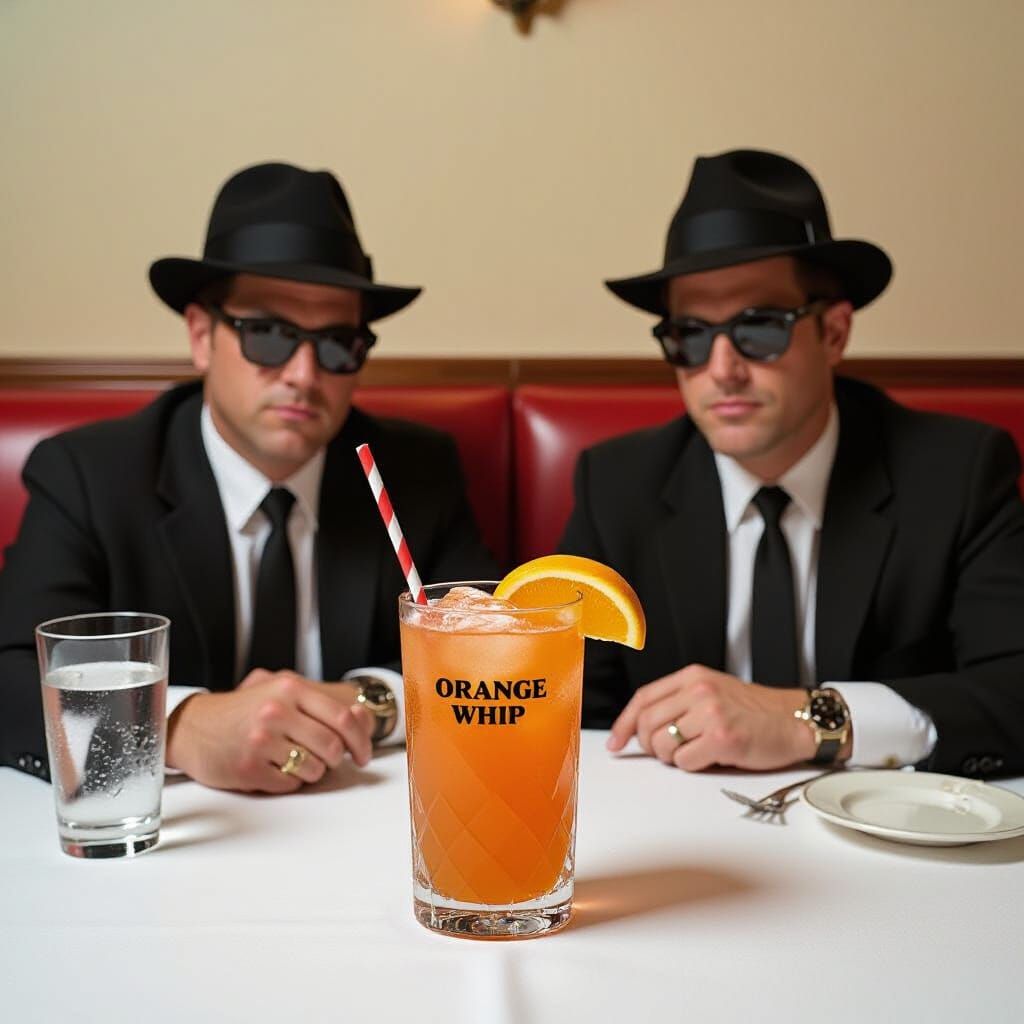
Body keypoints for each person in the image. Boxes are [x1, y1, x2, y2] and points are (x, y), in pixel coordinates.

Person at [0, 161, 497, 793]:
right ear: (202, 336)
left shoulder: (416, 475)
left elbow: (488, 657)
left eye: (339, 342)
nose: (303, 374)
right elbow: (12, 677)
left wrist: (370, 703)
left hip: (363, 835)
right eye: (267, 333)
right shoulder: (88, 476)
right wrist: (176, 726)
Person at [561, 148, 1024, 778]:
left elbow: (1014, 688)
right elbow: (573, 709)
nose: (721, 368)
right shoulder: (617, 486)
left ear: (833, 334)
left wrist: (809, 719)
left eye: (760, 326)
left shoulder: (957, 473)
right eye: (690, 335)